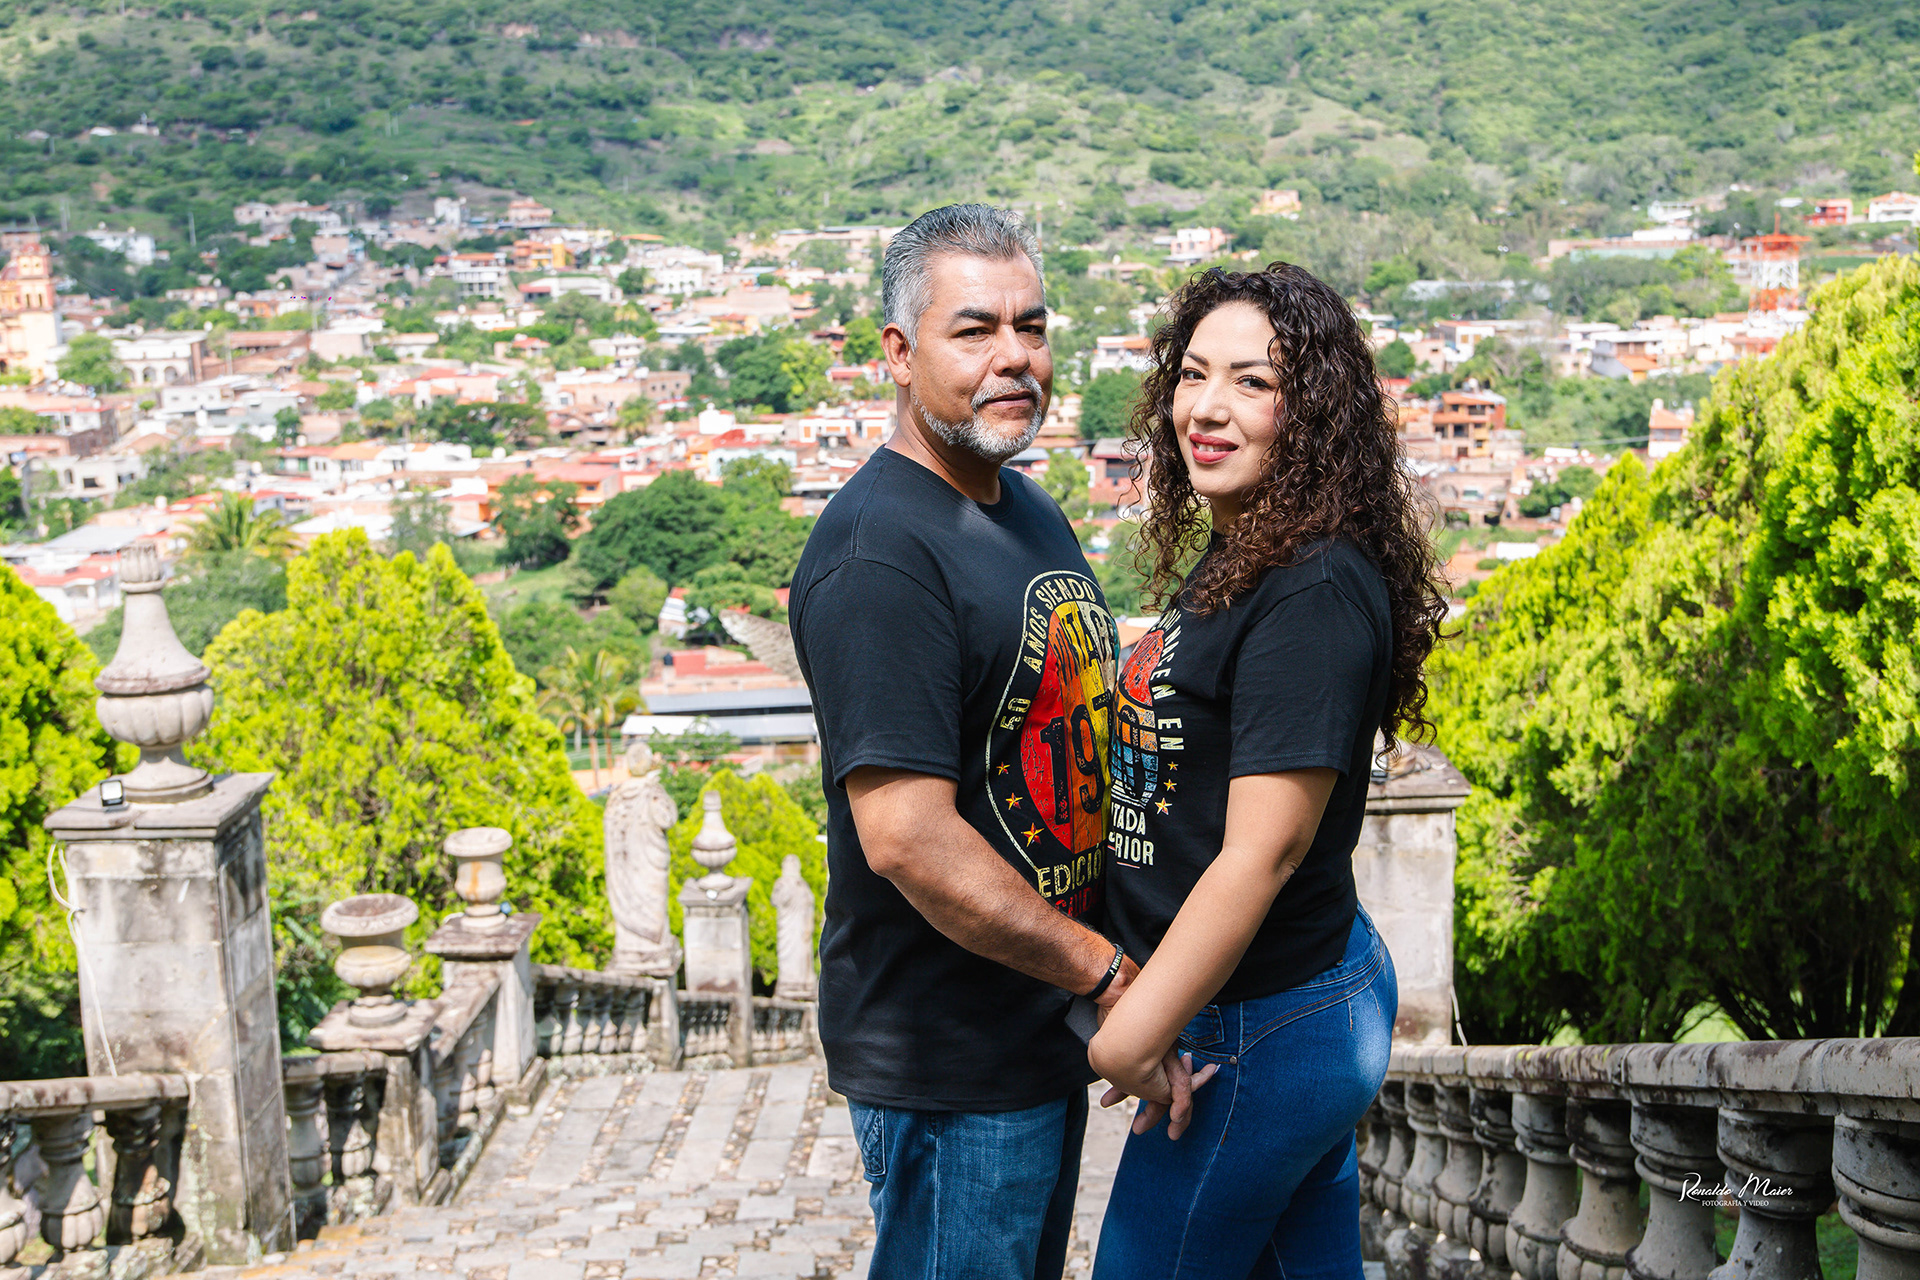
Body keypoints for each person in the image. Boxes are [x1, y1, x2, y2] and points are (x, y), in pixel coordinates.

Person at [787, 203, 1203, 1280]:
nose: (1014, 356)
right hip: (951, 1058)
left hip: (1035, 1031)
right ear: (899, 352)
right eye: (974, 330)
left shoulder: (1025, 508)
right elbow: (908, 838)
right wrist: (1105, 973)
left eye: (1033, 326)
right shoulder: (879, 556)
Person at [1088, 262, 1450, 1279]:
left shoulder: (1312, 589)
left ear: (1315, 411)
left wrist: (1129, 1036)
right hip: (1278, 1007)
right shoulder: (1248, 547)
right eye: (1194, 374)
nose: (1207, 408)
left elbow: (1264, 851)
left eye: (1253, 382)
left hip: (1259, 1024)